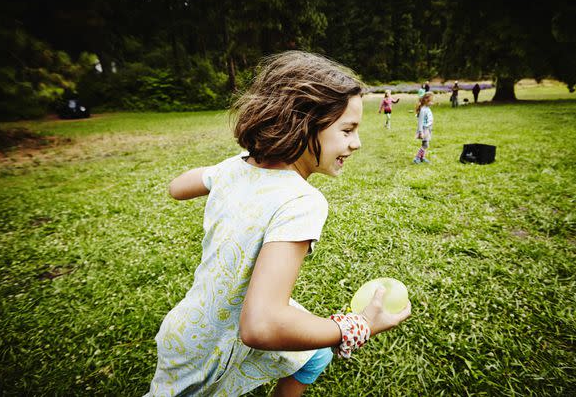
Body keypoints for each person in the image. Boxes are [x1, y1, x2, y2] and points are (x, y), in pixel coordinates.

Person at [145, 51, 411, 397]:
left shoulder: (234, 167)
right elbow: (261, 325)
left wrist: (229, 173)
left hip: (188, 329)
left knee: (313, 355)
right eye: (347, 130)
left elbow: (177, 187)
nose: (356, 143)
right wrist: (354, 326)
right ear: (302, 123)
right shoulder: (302, 202)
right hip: (210, 351)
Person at [413, 91, 435, 164]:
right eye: (431, 101)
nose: (432, 103)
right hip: (424, 129)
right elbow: (420, 122)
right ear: (426, 101)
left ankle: (422, 157)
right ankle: (417, 158)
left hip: (428, 128)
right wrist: (420, 132)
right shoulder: (423, 109)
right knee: (426, 145)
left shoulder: (427, 108)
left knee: (425, 144)